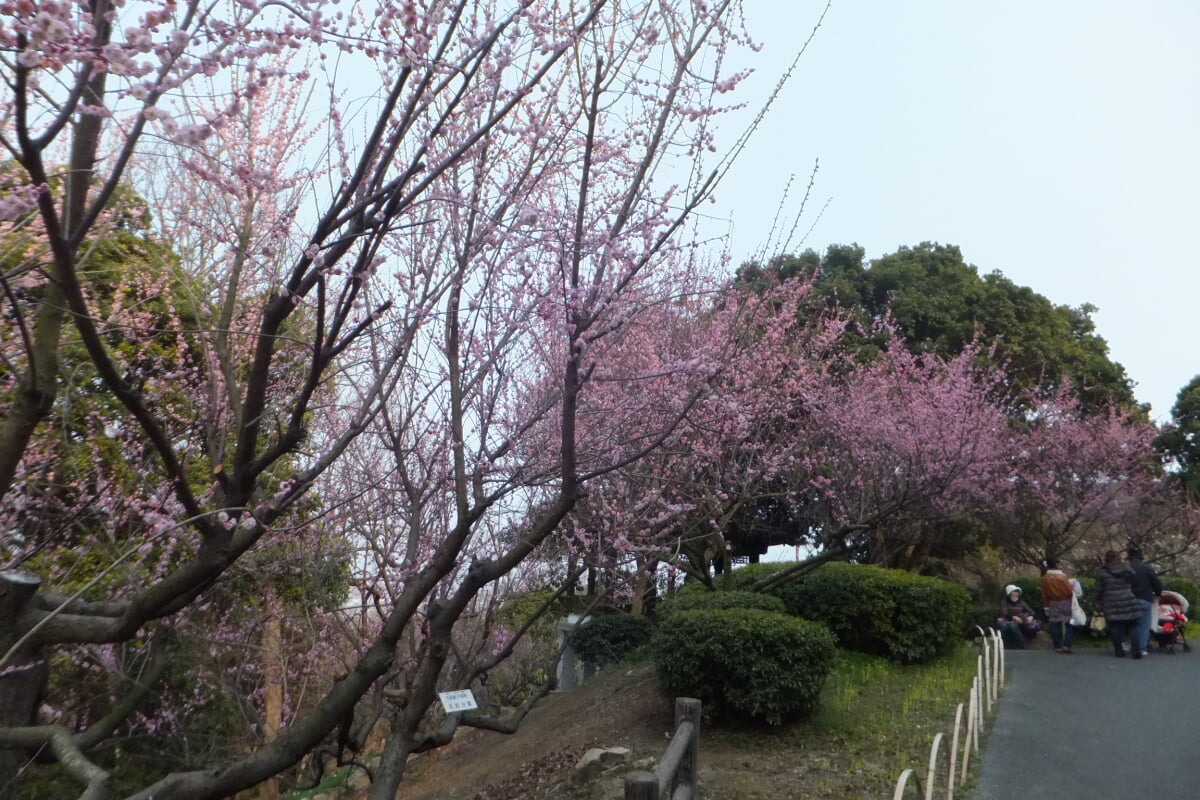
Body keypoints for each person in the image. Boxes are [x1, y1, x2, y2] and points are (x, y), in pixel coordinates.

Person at [1094, 550, 1142, 658]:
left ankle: (1119, 651)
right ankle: (1136, 651)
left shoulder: (1103, 571)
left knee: (1114, 626)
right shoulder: (1125, 567)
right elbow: (1133, 577)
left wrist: (1097, 600)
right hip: (1128, 598)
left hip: (1111, 601)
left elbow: (1099, 588)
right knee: (1132, 625)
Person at [1126, 547, 1162, 658]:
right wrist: (1158, 593)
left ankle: (1133, 645)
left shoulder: (1125, 568)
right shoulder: (1147, 568)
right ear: (1141, 558)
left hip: (1129, 599)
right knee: (1144, 625)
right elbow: (1156, 583)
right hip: (1145, 599)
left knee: (1132, 624)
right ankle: (1141, 648)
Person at [1040, 558, 1076, 653]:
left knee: (1055, 624)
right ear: (1056, 564)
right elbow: (1069, 591)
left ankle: (1057, 645)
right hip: (1065, 601)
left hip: (1053, 602)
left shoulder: (1044, 578)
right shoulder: (1062, 577)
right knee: (1069, 623)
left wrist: (1046, 606)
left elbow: (1044, 594)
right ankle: (1066, 645)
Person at [998, 585, 1038, 649]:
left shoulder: (1021, 602)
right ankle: (1002, 646)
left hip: (1018, 622)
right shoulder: (1004, 601)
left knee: (1013, 626)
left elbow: (1032, 612)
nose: (1016, 593)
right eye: (1014, 591)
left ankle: (1021, 646)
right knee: (1004, 627)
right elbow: (1004, 613)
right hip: (1006, 620)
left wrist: (1031, 617)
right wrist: (1013, 617)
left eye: (1017, 592)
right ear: (1009, 593)